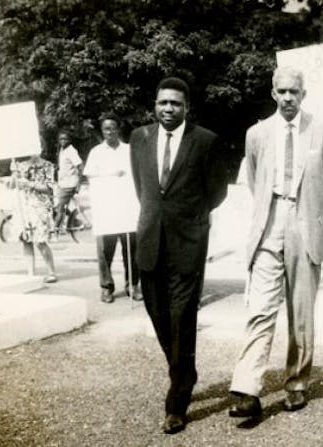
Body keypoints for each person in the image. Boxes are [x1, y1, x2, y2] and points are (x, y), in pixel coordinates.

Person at [228, 66, 323, 420]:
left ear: (304, 94)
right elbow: (254, 179)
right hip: (270, 220)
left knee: (301, 311)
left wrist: (320, 223)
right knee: (261, 306)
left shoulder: (321, 130)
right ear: (273, 93)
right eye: (282, 91)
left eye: (294, 91)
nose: (288, 98)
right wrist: (271, 211)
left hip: (306, 222)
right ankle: (246, 387)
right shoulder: (257, 133)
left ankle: (296, 382)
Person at [129, 77, 228, 434]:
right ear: (154, 105)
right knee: (158, 314)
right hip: (150, 242)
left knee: (181, 318)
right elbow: (143, 189)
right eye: (162, 103)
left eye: (175, 103)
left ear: (187, 107)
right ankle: (184, 370)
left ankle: (177, 403)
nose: (168, 109)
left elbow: (216, 192)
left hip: (188, 243)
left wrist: (191, 219)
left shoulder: (205, 141)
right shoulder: (139, 138)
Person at [84, 114, 141, 303]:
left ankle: (132, 284)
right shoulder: (96, 153)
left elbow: (138, 176)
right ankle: (107, 287)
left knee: (131, 249)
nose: (109, 132)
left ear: (118, 129)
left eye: (112, 128)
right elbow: (91, 177)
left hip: (127, 208)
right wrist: (111, 175)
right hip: (107, 210)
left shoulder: (129, 150)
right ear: (102, 132)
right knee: (104, 250)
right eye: (105, 129)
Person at [9, 154, 58, 282]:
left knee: (40, 241)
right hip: (24, 206)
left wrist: (30, 184)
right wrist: (14, 173)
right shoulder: (20, 165)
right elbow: (12, 186)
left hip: (39, 206)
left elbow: (49, 188)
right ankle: (30, 273)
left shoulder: (47, 165)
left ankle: (51, 271)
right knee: (26, 240)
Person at [53, 129, 83, 235]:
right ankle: (74, 222)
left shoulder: (71, 151)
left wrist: (79, 184)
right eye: (61, 138)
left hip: (69, 184)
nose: (63, 140)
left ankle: (54, 231)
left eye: (65, 138)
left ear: (69, 140)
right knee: (59, 205)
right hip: (62, 183)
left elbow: (80, 166)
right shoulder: (62, 149)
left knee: (59, 208)